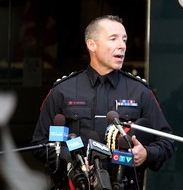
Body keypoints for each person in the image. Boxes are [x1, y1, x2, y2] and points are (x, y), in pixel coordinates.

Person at [30, 15, 174, 190]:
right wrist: (70, 162)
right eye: (113, 39)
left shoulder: (140, 91)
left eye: (124, 40)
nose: (122, 45)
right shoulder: (62, 91)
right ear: (92, 45)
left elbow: (166, 142)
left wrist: (146, 154)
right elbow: (39, 144)